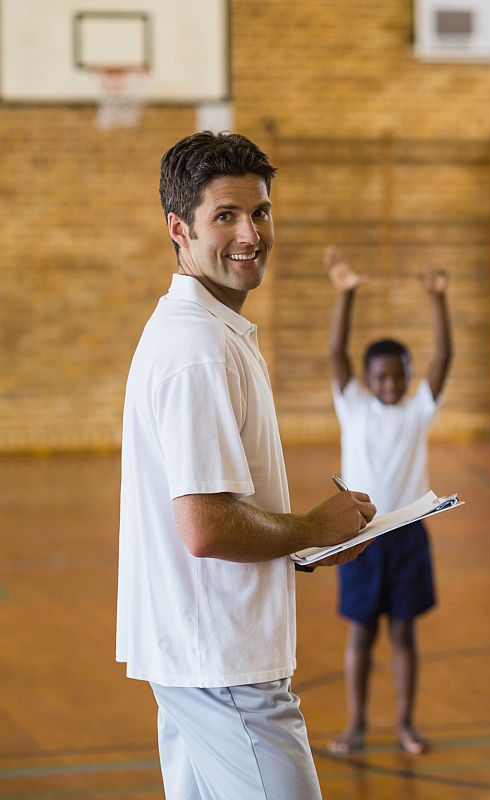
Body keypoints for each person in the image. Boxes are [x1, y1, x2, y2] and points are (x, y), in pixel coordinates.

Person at [117, 131, 375, 800]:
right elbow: (204, 527)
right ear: (179, 229)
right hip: (223, 665)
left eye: (259, 212)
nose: (249, 233)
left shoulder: (207, 331)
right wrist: (311, 528)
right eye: (224, 216)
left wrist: (303, 544)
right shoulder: (199, 347)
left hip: (200, 657)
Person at [324, 245, 453, 755]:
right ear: (366, 379)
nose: (391, 385)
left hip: (408, 533)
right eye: (380, 377)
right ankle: (356, 725)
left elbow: (444, 358)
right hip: (360, 536)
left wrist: (439, 301)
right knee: (360, 635)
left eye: (399, 375)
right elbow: (336, 354)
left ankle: (404, 724)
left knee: (403, 634)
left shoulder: (417, 410)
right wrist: (346, 295)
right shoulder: (353, 405)